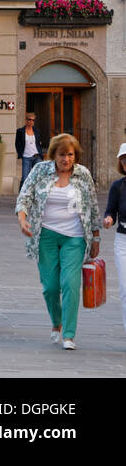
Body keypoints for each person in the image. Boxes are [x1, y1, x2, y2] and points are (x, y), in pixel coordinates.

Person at [16, 133, 101, 350]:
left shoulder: (83, 174)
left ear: (75, 155)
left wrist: (96, 235)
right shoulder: (40, 171)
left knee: (70, 284)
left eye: (70, 155)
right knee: (51, 287)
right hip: (45, 235)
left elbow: (92, 206)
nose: (66, 159)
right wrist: (23, 219)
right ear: (53, 155)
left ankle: (69, 334)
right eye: (62, 155)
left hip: (75, 237)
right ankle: (57, 323)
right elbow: (25, 196)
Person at [104, 143, 126, 336]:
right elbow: (110, 210)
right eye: (124, 160)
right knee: (125, 288)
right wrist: (109, 219)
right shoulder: (118, 186)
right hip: (123, 241)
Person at [16, 111, 48, 188]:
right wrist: (20, 153)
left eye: (33, 120)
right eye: (30, 119)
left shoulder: (36, 131)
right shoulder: (20, 131)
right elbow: (17, 144)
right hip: (26, 157)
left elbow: (38, 143)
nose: (31, 122)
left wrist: (40, 154)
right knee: (25, 179)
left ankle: (37, 196)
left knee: (38, 178)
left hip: (37, 157)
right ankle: (21, 197)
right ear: (26, 120)